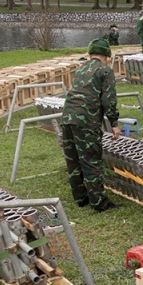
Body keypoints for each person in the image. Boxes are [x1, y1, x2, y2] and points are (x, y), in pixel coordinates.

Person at [59, 39, 121, 212]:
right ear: (107, 56)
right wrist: (114, 123)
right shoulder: (105, 70)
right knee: (91, 159)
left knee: (73, 159)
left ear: (89, 54)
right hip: (86, 120)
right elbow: (108, 99)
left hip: (68, 117)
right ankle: (99, 203)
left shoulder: (81, 69)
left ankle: (80, 198)